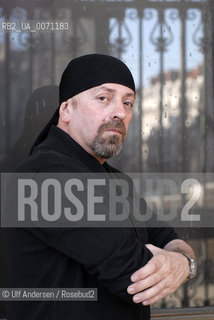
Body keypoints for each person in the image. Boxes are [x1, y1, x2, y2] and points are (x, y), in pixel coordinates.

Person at [4, 54, 196, 320]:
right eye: (103, 98)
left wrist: (183, 261)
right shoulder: (47, 178)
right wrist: (179, 263)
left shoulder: (116, 180)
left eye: (128, 102)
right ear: (66, 109)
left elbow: (166, 236)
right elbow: (135, 278)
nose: (120, 112)